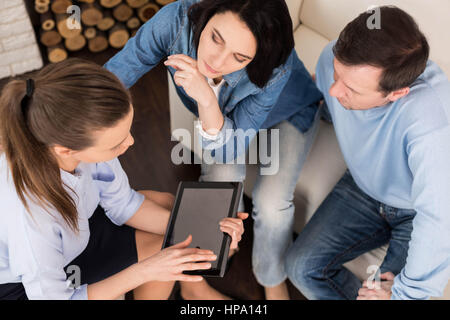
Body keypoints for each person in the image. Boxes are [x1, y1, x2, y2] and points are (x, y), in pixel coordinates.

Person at [104, 0, 322, 300]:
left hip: (290, 112)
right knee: (220, 194)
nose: (216, 62)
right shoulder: (176, 21)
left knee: (272, 204)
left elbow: (227, 147)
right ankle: (200, 277)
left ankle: (270, 277)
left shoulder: (276, 67)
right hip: (225, 122)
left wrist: (207, 99)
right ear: (206, 15)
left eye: (240, 56)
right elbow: (114, 76)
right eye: (215, 38)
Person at [0, 58, 247, 300]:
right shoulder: (29, 218)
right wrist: (145, 271)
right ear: (66, 150)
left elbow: (123, 204)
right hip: (28, 286)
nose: (130, 142)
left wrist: (207, 229)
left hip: (76, 230)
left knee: (168, 205)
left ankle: (192, 288)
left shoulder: (75, 142)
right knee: (165, 252)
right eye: (116, 144)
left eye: (127, 130)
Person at [285, 6, 450, 300]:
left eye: (351, 89)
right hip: (363, 187)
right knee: (300, 268)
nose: (335, 92)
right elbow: (324, 97)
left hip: (415, 210)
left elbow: (440, 218)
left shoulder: (432, 123)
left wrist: (402, 294)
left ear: (396, 94)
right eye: (336, 75)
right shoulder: (331, 57)